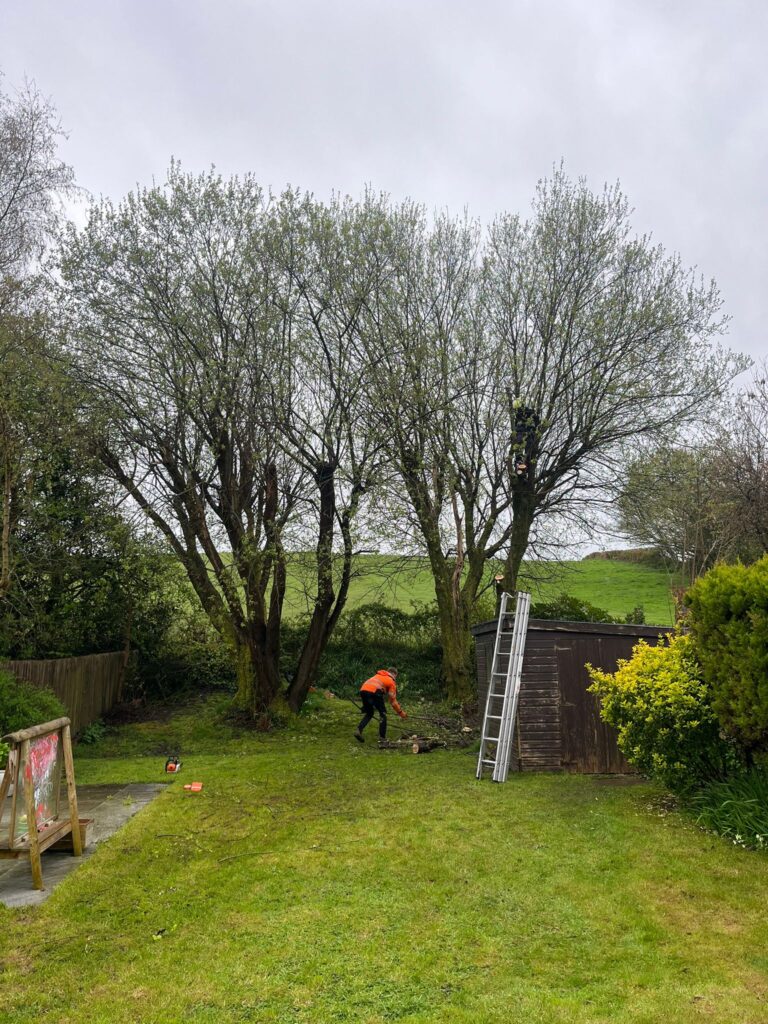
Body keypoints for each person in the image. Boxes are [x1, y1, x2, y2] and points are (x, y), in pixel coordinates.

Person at [354, 667, 407, 743]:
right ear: (394, 674)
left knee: (369, 713)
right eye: (396, 676)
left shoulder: (377, 675)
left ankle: (358, 730)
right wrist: (401, 713)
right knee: (383, 714)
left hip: (363, 690)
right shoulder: (391, 681)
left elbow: (369, 690)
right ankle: (382, 738)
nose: (395, 678)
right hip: (375, 692)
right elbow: (393, 701)